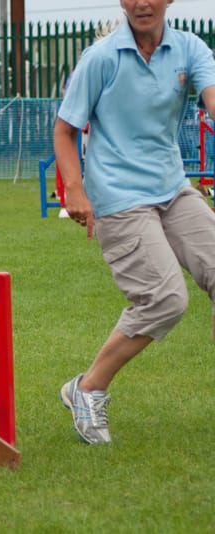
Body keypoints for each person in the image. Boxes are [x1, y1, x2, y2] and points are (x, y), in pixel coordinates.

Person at [54, 0, 215, 445]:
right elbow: (65, 130)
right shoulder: (102, 57)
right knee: (165, 299)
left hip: (172, 187)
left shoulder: (190, 49)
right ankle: (86, 388)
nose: (143, 2)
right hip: (120, 196)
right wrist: (75, 188)